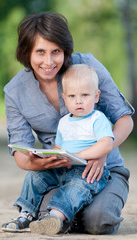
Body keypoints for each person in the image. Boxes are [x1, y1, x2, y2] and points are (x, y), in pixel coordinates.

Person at [2, 12, 134, 235]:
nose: (49, 62)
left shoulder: (88, 68)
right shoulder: (15, 91)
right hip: (59, 172)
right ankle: (52, 215)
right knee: (53, 203)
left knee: (98, 222)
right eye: (40, 52)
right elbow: (20, 152)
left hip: (104, 170)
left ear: (65, 50)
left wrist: (101, 152)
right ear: (27, 52)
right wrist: (39, 164)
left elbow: (125, 119)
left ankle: (65, 215)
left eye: (56, 52)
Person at [27, 64, 114, 235]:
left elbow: (106, 144)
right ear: (65, 98)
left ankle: (55, 217)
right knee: (34, 175)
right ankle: (25, 212)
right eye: (72, 96)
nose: (78, 101)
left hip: (86, 171)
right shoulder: (64, 121)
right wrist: (48, 157)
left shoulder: (97, 118)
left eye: (84, 95)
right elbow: (58, 147)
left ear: (96, 96)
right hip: (64, 168)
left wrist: (81, 155)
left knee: (76, 188)